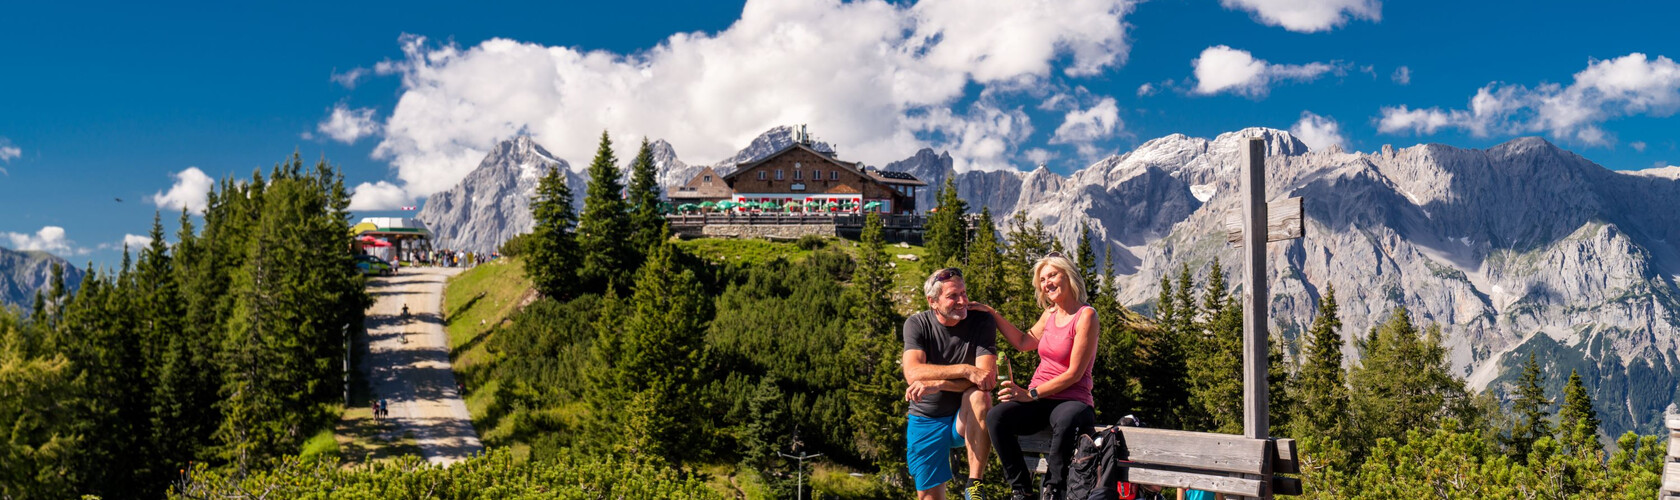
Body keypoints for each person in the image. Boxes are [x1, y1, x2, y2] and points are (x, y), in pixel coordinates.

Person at [973, 253, 1099, 500]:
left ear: (1068, 275)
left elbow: (1074, 374)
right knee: (997, 416)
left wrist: (1030, 394)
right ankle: (1022, 491)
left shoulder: (1086, 316)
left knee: (1066, 418)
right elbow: (1023, 341)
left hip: (1072, 400)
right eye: (1042, 279)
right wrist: (992, 313)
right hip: (1039, 399)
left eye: (1052, 275)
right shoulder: (1051, 313)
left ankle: (1052, 489)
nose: (1047, 283)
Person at [903, 267, 998, 500]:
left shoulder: (982, 321)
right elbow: (913, 372)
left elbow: (985, 380)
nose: (962, 301)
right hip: (926, 417)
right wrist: (965, 370)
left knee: (980, 396)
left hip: (963, 417)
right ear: (933, 301)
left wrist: (937, 384)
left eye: (964, 293)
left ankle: (974, 484)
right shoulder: (917, 324)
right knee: (929, 497)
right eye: (953, 296)